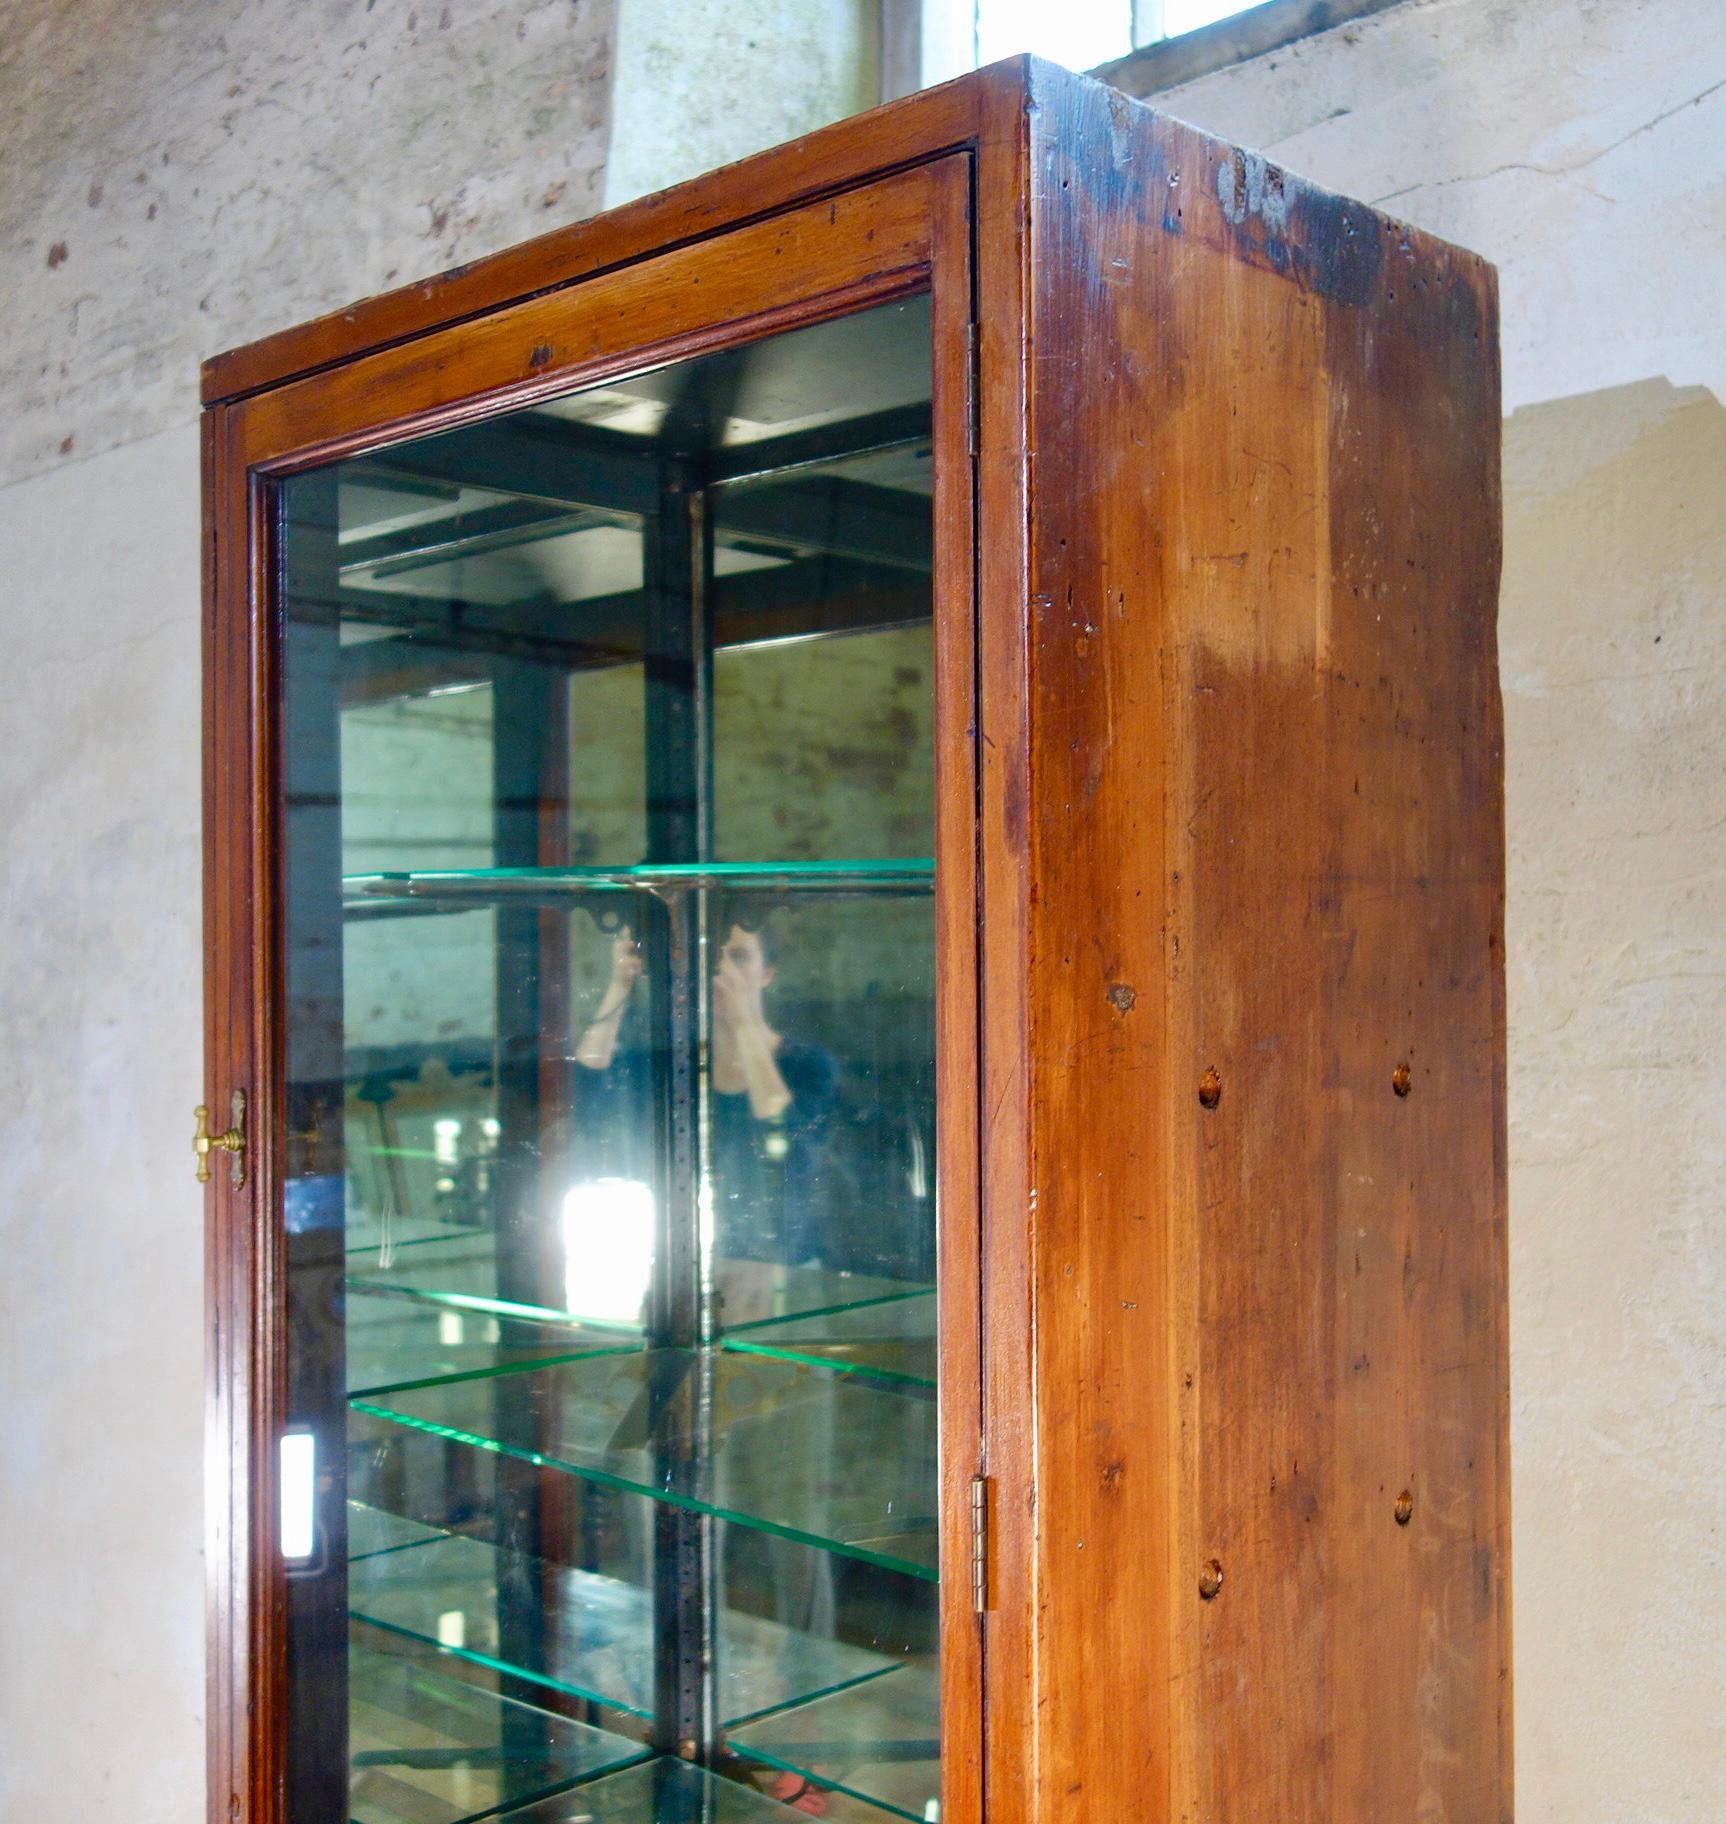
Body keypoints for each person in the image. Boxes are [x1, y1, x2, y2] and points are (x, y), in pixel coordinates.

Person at [570, 907, 839, 1271]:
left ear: (767, 973)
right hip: (680, 1266)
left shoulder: (809, 1065)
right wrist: (620, 983)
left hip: (784, 1264)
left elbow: (787, 1146)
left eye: (740, 958)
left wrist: (743, 1023)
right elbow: (586, 1091)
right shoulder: (671, 1062)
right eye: (710, 958)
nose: (721, 972)